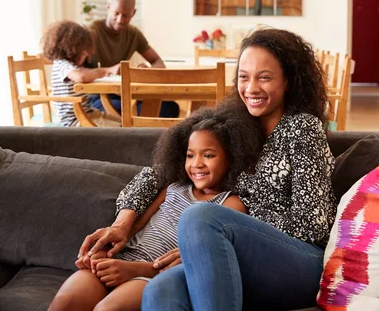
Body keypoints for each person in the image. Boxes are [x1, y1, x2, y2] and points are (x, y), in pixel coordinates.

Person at [78, 28, 337, 310]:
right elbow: (157, 173)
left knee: (200, 217)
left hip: (301, 261)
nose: (251, 88)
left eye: (264, 77)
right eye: (243, 77)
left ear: (288, 81)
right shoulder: (233, 123)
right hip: (235, 250)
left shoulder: (302, 128)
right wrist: (122, 225)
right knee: (160, 289)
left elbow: (312, 226)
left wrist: (213, 239)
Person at [49, 103, 264, 311]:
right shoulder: (173, 187)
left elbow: (202, 256)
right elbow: (136, 228)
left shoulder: (230, 202)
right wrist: (105, 252)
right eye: (190, 155)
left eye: (208, 155)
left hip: (153, 273)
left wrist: (135, 269)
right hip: (121, 260)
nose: (196, 163)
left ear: (232, 159)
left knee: (108, 309)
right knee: (66, 301)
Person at [85, 0, 179, 118]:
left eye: (125, 16)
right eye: (116, 13)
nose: (120, 19)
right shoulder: (91, 32)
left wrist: (148, 71)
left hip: (125, 94)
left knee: (169, 108)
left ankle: (148, 137)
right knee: (135, 112)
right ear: (108, 8)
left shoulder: (133, 34)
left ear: (133, 13)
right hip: (97, 96)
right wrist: (107, 70)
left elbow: (158, 61)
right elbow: (76, 71)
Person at [42, 20, 121, 127]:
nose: (86, 56)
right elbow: (81, 76)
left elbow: (83, 73)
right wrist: (103, 71)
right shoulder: (62, 65)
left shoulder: (69, 65)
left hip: (87, 113)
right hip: (76, 120)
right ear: (71, 48)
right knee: (120, 130)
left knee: (122, 123)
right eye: (84, 53)